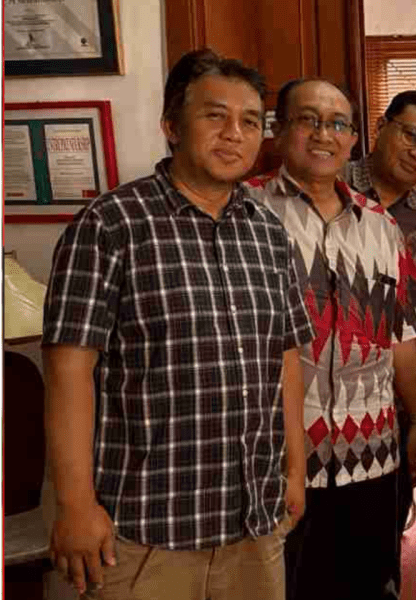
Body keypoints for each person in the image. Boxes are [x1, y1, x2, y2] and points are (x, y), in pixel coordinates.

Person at [42, 48, 311, 599]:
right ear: (171, 126)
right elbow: (68, 371)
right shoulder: (110, 225)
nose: (234, 134)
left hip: (252, 521)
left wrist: (295, 470)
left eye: (251, 121)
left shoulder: (269, 233)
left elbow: (284, 356)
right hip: (145, 531)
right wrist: (75, 504)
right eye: (215, 115)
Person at [244, 78, 416, 600]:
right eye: (307, 120)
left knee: (368, 588)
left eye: (337, 124)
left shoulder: (380, 226)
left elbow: (400, 338)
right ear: (279, 129)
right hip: (274, 461)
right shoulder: (244, 212)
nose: (323, 134)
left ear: (354, 138)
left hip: (371, 457)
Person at [342, 89, 416, 542]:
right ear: (381, 126)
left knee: (379, 545)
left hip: (389, 405)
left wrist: (413, 409)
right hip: (311, 401)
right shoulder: (327, 184)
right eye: (411, 135)